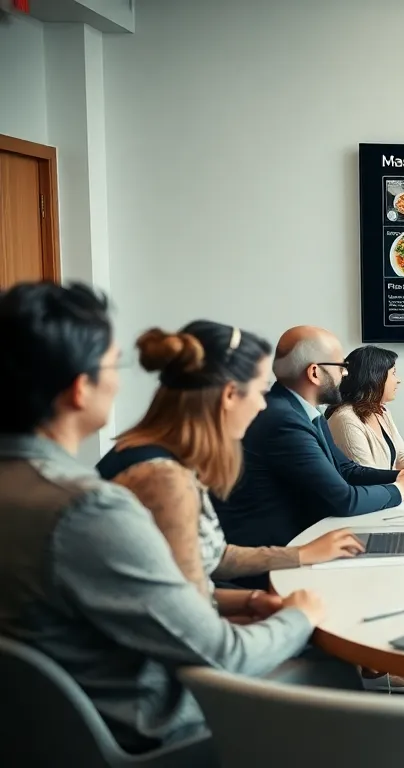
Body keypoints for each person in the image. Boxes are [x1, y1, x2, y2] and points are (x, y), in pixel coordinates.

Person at [0, 282, 324, 754]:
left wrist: (246, 600)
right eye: (113, 365)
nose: (119, 380)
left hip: (39, 736)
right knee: (332, 672)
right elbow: (222, 655)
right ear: (79, 388)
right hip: (148, 735)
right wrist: (301, 616)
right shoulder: (89, 508)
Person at [97, 322, 365, 597]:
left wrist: (292, 563)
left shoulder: (159, 456)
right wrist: (297, 616)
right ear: (229, 395)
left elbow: (209, 559)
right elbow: (192, 625)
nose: (263, 404)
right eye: (260, 391)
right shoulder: (162, 477)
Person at [213, 326, 404, 570]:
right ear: (315, 372)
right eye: (341, 366)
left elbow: (346, 470)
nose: (346, 375)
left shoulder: (305, 412)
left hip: (305, 540)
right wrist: (401, 490)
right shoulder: (283, 419)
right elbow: (344, 500)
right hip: (277, 556)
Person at [327, 345, 404, 478]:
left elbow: (402, 457)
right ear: (375, 378)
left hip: (391, 493)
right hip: (375, 495)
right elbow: (366, 477)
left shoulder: (381, 411)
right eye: (393, 373)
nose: (398, 380)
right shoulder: (345, 420)